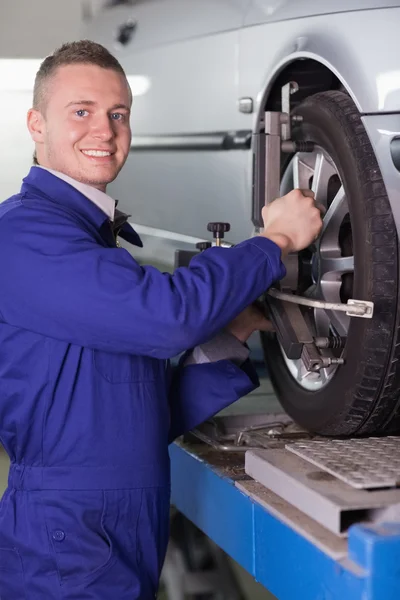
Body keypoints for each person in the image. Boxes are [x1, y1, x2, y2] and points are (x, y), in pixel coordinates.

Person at [0, 40, 322, 599]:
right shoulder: (24, 237)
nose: (104, 130)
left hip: (106, 523)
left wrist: (234, 331)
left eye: (117, 114)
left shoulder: (86, 239)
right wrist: (274, 242)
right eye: (81, 112)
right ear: (35, 123)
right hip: (66, 538)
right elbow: (167, 316)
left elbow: (131, 418)